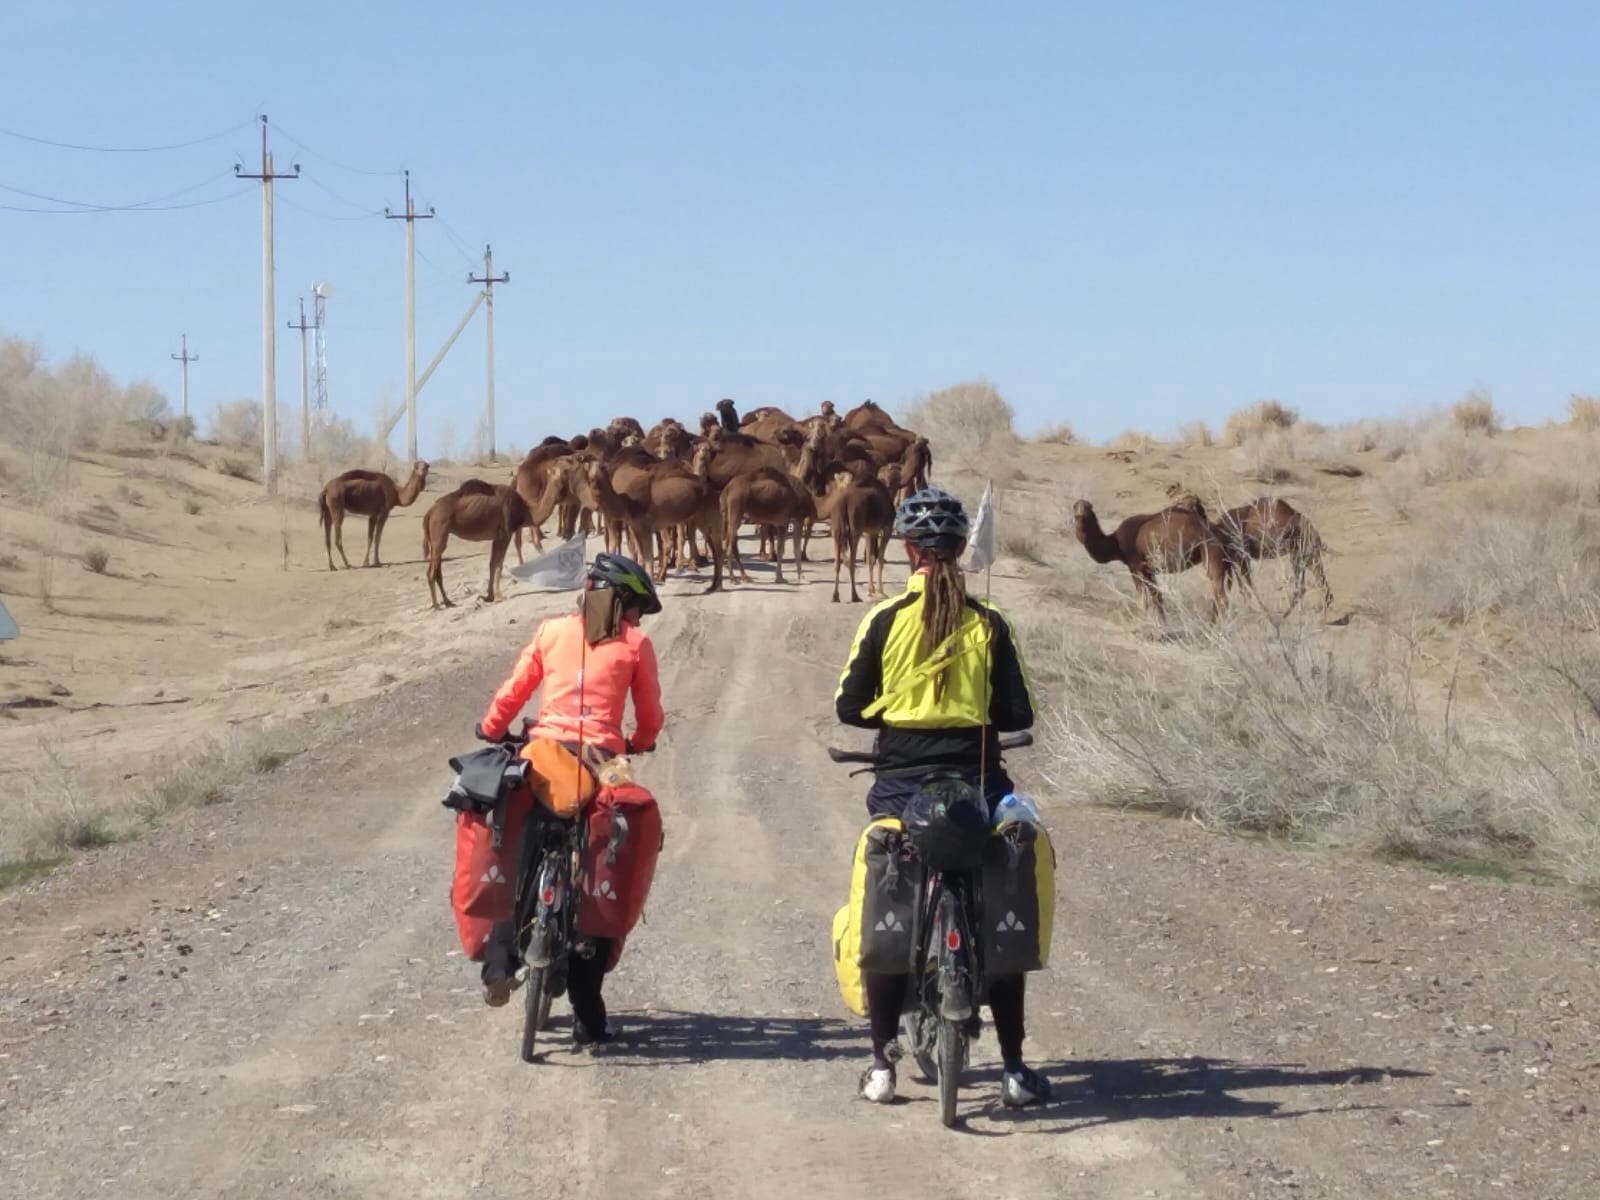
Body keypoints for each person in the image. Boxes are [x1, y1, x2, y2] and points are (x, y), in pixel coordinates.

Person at [834, 486, 1051, 1108]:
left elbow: (849, 706)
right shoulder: (989, 622)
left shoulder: (882, 619)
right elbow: (1018, 709)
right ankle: (1013, 1068)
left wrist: (898, 708)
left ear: (907, 551)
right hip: (977, 782)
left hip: (902, 784)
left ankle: (880, 1066)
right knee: (1001, 896)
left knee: (884, 894)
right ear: (960, 550)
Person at [473, 552, 664, 1045]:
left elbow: (515, 691)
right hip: (601, 767)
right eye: (634, 608)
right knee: (601, 870)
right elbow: (649, 719)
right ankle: (587, 1013)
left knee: (515, 850)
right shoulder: (635, 645)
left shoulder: (551, 631)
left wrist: (490, 728)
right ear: (620, 600)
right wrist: (640, 740)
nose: (635, 619)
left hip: (543, 759)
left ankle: (499, 959)